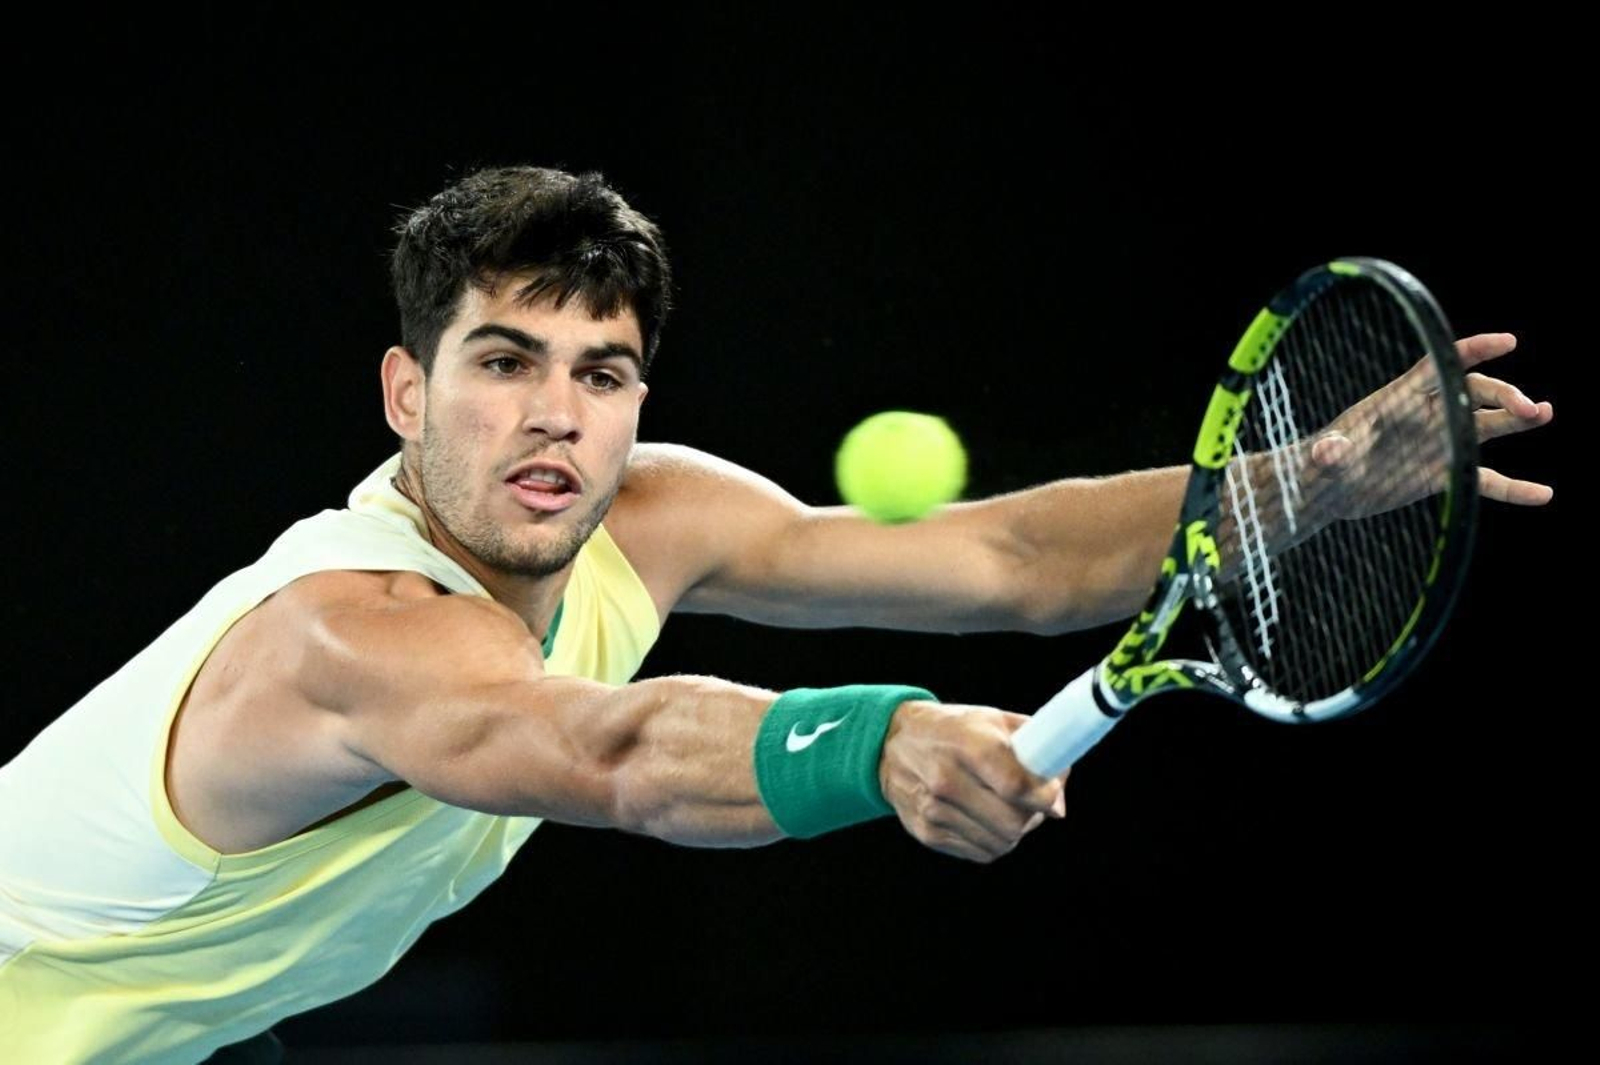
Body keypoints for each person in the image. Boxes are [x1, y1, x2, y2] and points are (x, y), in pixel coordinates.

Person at [0, 166, 1555, 1063]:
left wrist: (1325, 476)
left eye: (598, 374)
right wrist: (877, 741)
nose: (555, 419)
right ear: (408, 393)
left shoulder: (644, 514)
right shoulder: (342, 631)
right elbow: (608, 747)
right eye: (501, 364)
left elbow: (1005, 560)